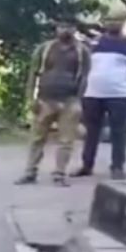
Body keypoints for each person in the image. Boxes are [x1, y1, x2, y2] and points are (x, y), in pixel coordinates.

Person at [16, 16, 91, 186]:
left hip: (69, 101)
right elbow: (33, 74)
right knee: (37, 138)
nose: (65, 30)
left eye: (69, 26)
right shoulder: (44, 49)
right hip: (45, 100)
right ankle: (30, 172)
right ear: (56, 28)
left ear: (75, 29)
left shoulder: (82, 51)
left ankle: (59, 174)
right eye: (62, 26)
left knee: (66, 140)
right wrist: (30, 99)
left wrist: (78, 100)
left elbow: (85, 77)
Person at [75, 7, 126, 181]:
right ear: (104, 23)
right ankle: (87, 165)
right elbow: (83, 68)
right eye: (109, 21)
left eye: (117, 21)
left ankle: (117, 166)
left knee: (119, 132)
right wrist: (81, 91)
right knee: (91, 131)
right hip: (92, 93)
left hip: (120, 95)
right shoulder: (93, 44)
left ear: (123, 23)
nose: (112, 24)